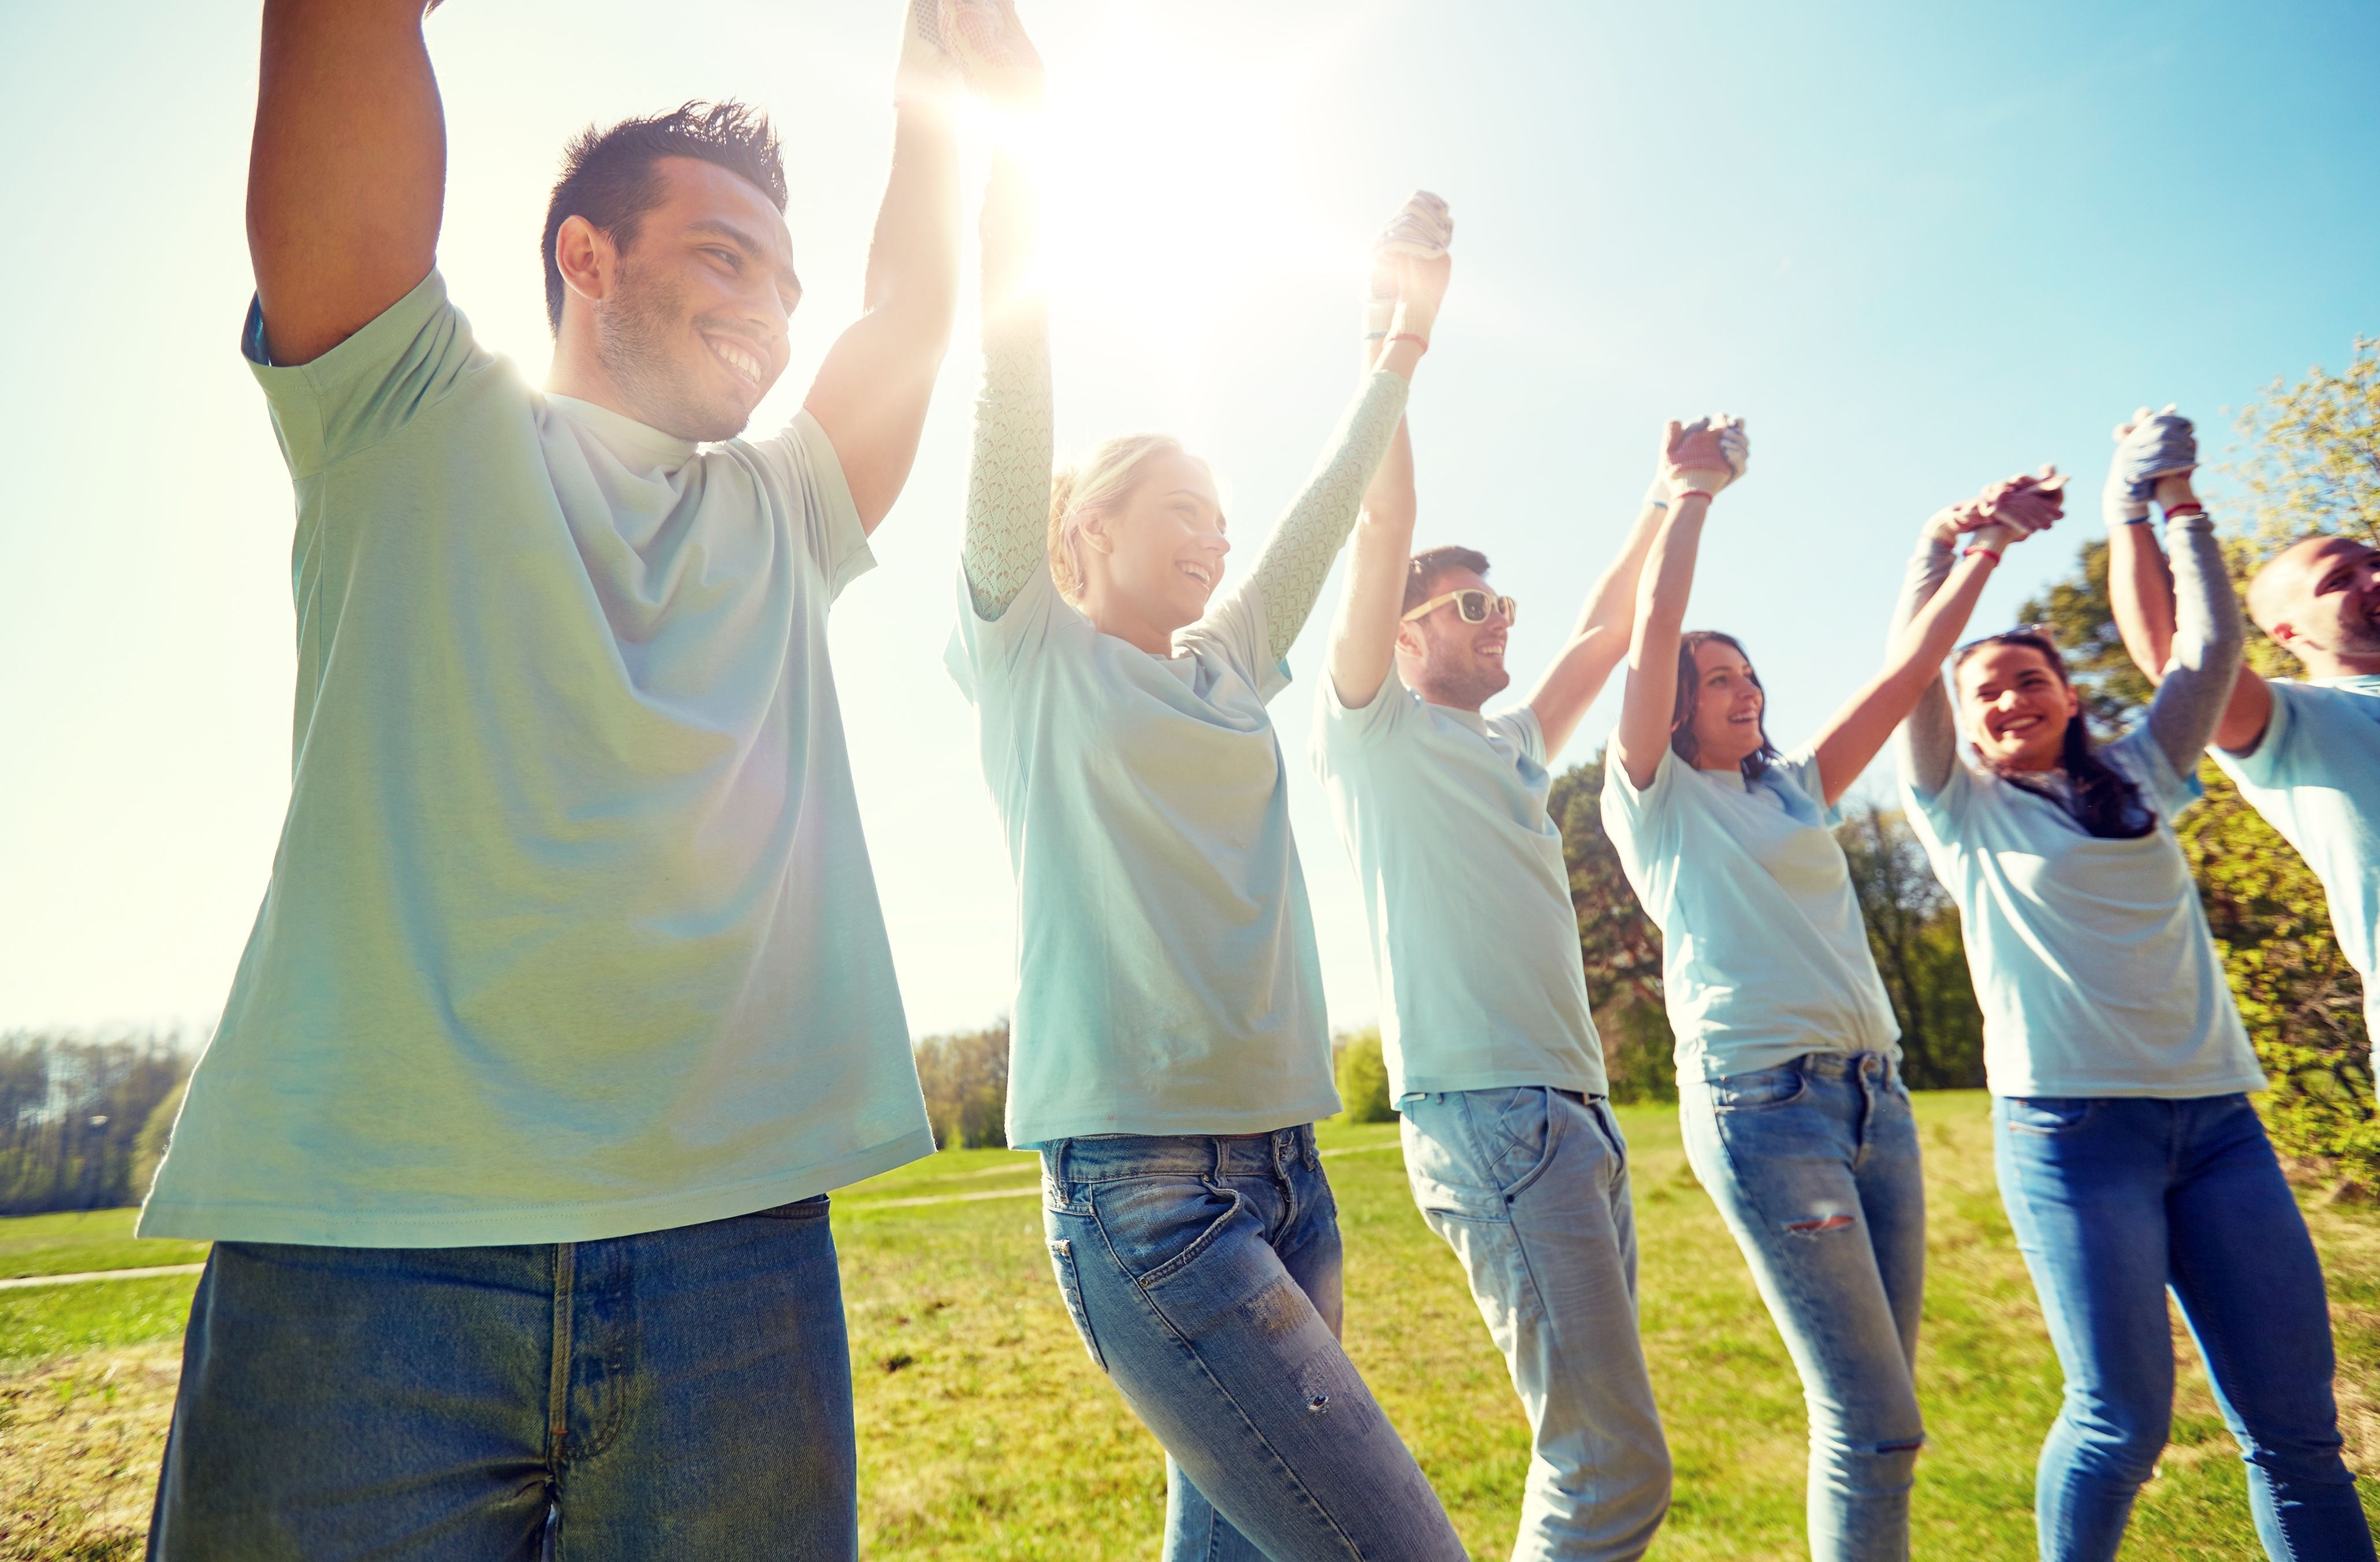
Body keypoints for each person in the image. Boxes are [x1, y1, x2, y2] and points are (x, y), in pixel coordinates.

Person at [139, 2, 969, 1554]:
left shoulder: (786, 511)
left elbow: (910, 309)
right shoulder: (402, 412)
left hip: (735, 1260)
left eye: (786, 284)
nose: (775, 316)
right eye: (727, 256)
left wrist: (937, 76)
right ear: (587, 257)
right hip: (363, 1260)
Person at [943, 17, 1468, 1547]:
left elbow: (1320, 507)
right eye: (1182, 507)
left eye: (1218, 520)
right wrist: (1021, 151)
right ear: (1084, 527)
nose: (1220, 537)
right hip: (1148, 1196)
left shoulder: (1230, 662)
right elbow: (1009, 382)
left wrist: (1400, 342)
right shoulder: (1026, 646)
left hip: (1291, 1172)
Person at [1895, 415, 2375, 1562]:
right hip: (2071, 1134)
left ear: (2065, 693)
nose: (2007, 701)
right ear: (1961, 727)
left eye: (2026, 680)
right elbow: (1908, 665)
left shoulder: (2143, 774)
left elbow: (2205, 653)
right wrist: (1946, 551)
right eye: (1985, 697)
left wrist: (2179, 505)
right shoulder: (1954, 807)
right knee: (2120, 1421)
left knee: (2297, 1433)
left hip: (2218, 1126)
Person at [1601, 428, 2065, 1561]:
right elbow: (1650, 626)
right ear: (1668, 704)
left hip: (1877, 1103)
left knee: (1882, 1422)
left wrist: (1985, 548)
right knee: (1874, 1421)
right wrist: (1690, 492)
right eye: (1717, 679)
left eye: (1748, 671)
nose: (1745, 687)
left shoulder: (1794, 786)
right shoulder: (1653, 800)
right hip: (1766, 1113)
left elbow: (1907, 673)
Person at [1308, 413, 1678, 1559]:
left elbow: (1608, 626)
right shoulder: (1372, 729)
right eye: (1473, 605)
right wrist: (1397, 343)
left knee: (1592, 1449)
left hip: (1571, 1110)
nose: (1498, 617)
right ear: (1404, 632)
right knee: (1608, 1460)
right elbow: (1383, 522)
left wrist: (1668, 490)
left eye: (1500, 602)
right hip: (1491, 1116)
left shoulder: (1512, 741)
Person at [2102, 405, 2380, 1069]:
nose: (2372, 578)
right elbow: (2182, 653)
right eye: (2338, 581)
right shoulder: (2301, 722)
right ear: (2289, 634)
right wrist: (2137, 507)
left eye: (2372, 561)